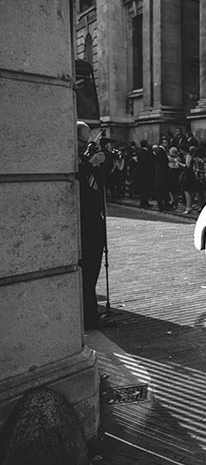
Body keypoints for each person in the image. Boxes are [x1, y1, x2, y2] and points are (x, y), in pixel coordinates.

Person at [76, 122, 114, 329]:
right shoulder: (75, 161)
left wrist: (100, 164)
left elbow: (101, 183)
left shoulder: (84, 159)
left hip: (95, 220)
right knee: (87, 271)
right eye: (83, 142)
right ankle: (89, 317)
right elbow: (77, 183)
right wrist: (90, 164)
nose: (85, 146)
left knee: (93, 269)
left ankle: (90, 314)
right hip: (84, 222)